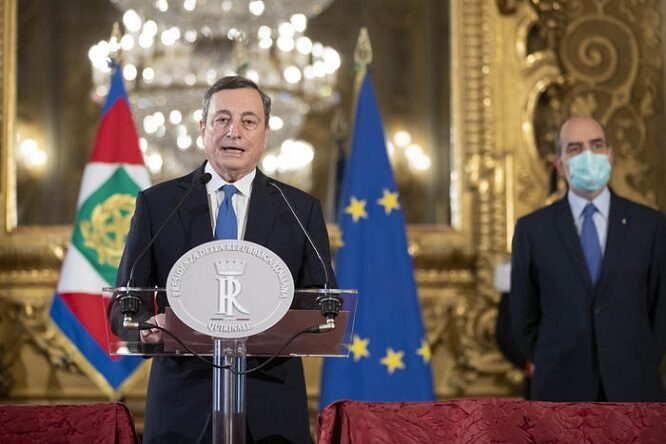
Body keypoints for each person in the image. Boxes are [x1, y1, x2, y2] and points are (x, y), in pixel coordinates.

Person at [111, 76, 336, 443]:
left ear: (264, 134)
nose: (234, 131)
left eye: (249, 121)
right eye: (222, 119)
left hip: (272, 409)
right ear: (203, 129)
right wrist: (146, 326)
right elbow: (124, 302)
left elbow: (326, 303)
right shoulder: (159, 205)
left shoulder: (298, 209)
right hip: (182, 406)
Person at [509, 116, 666, 402]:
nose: (588, 156)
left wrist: (637, 360)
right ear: (559, 164)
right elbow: (521, 317)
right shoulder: (532, 230)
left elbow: (661, 310)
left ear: (610, 155)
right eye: (575, 149)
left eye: (596, 145)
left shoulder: (650, 226)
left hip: (635, 390)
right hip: (559, 391)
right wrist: (555, 359)